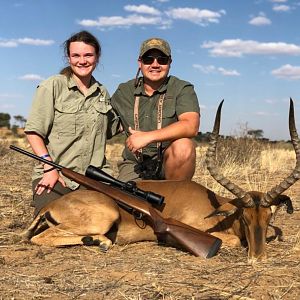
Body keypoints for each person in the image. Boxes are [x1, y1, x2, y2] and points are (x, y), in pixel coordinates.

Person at [24, 30, 119, 215]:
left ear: (97, 57)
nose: (82, 61)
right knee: (51, 221)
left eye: (88, 55)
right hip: (57, 176)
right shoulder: (52, 86)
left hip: (95, 179)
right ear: (68, 58)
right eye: (76, 55)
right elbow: (33, 132)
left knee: (107, 219)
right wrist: (49, 167)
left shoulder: (102, 93)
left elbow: (113, 128)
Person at [111, 37, 200, 182]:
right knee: (127, 201)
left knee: (184, 146)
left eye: (162, 60)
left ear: (170, 62)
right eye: (148, 59)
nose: (155, 64)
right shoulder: (124, 91)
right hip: (134, 165)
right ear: (140, 63)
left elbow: (191, 126)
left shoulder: (181, 88)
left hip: (167, 163)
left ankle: (175, 197)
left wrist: (147, 137)